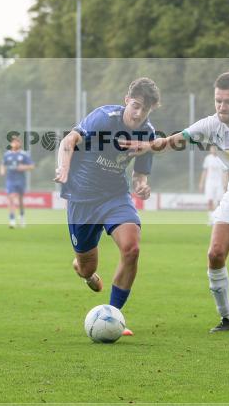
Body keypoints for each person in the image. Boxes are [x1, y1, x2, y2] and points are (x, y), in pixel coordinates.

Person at [128, 72, 229, 333]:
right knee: (215, 253)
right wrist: (146, 146)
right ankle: (226, 318)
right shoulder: (210, 125)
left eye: (228, 102)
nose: (221, 107)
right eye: (218, 101)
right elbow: (172, 141)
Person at [54, 78, 160, 335]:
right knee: (86, 267)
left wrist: (142, 186)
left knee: (132, 249)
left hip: (115, 196)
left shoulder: (148, 133)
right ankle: (84, 271)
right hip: (83, 198)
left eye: (145, 109)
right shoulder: (103, 118)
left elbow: (140, 175)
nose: (138, 114)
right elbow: (69, 140)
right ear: (126, 100)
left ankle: (113, 315)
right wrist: (64, 168)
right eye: (135, 106)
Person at [1, 134, 35, 228]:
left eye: (16, 141)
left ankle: (22, 216)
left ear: (19, 143)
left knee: (20, 200)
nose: (14, 143)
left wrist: (24, 167)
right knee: (11, 198)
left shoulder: (23, 154)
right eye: (13, 142)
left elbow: (32, 166)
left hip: (20, 180)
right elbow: (3, 164)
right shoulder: (7, 154)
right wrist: (2, 171)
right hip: (10, 180)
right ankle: (12, 220)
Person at [199, 145, 228, 224]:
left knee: (219, 202)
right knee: (210, 200)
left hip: (219, 183)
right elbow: (205, 171)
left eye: (215, 148)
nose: (213, 149)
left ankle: (217, 219)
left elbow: (225, 172)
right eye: (212, 148)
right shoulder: (208, 158)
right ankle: (211, 219)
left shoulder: (222, 158)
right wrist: (201, 183)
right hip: (209, 182)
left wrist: (225, 184)